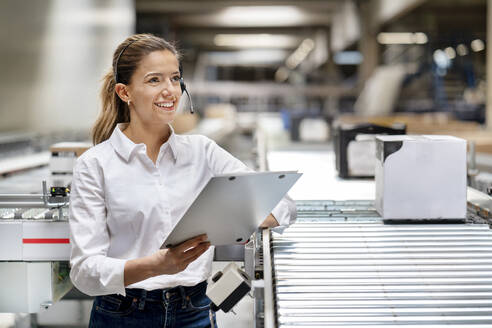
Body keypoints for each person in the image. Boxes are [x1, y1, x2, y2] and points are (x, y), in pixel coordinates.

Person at [69, 33, 296, 328]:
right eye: (154, 80)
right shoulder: (95, 164)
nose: (170, 91)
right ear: (125, 92)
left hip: (195, 310)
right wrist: (154, 266)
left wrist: (245, 215)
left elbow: (286, 205)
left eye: (174, 79)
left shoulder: (202, 152)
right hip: (123, 314)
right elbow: (84, 271)